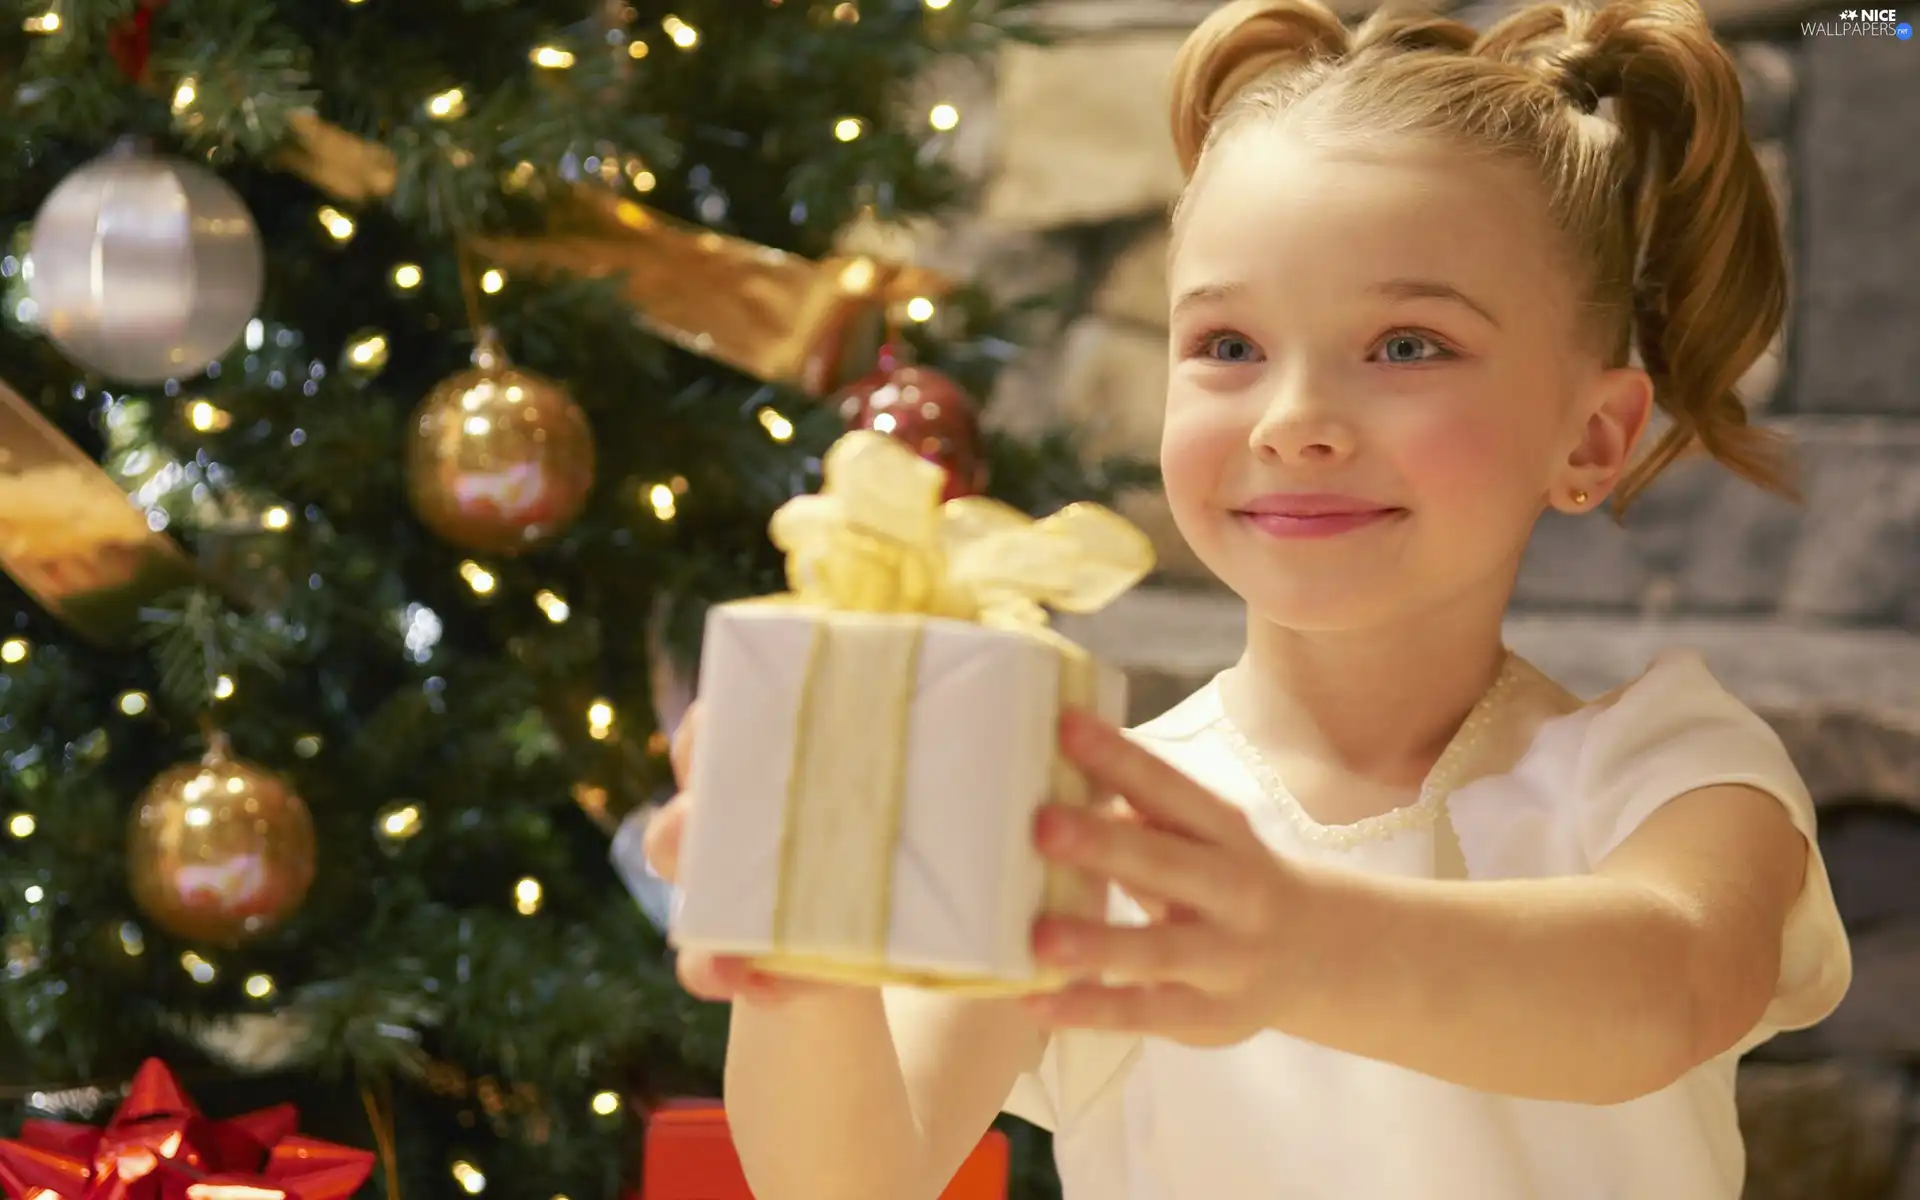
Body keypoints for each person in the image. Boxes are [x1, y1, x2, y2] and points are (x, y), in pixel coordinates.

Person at [642, 0, 1853, 1194]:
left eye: (1407, 345)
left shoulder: (1673, 769)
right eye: (1229, 346)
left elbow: (1666, 990)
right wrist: (801, 966)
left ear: (1590, 437)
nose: (1295, 424)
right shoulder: (1072, 824)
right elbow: (853, 1177)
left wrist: (1291, 944)